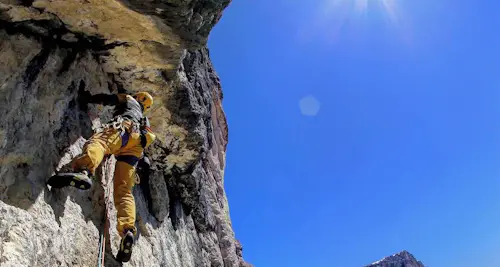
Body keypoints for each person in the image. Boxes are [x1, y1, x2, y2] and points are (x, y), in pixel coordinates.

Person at [47, 83, 156, 262]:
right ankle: (128, 230)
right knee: (123, 190)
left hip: (124, 129)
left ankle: (84, 170)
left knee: (99, 143)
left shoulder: (130, 100)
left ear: (138, 97)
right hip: (136, 149)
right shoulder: (145, 121)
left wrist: (87, 97)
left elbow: (109, 99)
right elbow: (145, 154)